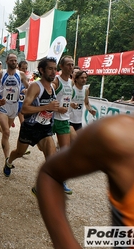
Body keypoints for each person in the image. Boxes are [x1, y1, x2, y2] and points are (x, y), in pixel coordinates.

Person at [36, 13, 134, 248]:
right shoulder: (125, 137)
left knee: (68, 146)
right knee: (59, 153)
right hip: (55, 121)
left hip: (74, 120)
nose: (77, 71)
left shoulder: (85, 89)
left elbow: (85, 102)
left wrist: (87, 109)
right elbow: (49, 174)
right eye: (71, 66)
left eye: (75, 67)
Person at [3, 57, 59, 178]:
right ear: (41, 70)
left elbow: (51, 107)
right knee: (19, 152)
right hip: (30, 127)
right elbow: (24, 109)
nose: (53, 72)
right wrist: (46, 107)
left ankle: (42, 186)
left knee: (51, 158)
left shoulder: (52, 88)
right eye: (50, 69)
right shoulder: (35, 86)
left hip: (45, 128)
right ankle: (9, 162)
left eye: (55, 69)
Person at [0, 53, 29, 165]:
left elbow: (29, 87)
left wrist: (27, 91)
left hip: (14, 105)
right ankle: (7, 160)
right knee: (7, 132)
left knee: (5, 129)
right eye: (11, 60)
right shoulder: (0, 73)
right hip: (3, 105)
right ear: (7, 61)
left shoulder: (21, 74)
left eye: (15, 60)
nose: (14, 62)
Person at [51, 55, 74, 194]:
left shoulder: (71, 82)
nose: (71, 67)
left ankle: (61, 181)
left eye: (72, 64)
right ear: (61, 66)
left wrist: (70, 104)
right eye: (68, 65)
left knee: (65, 152)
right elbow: (49, 94)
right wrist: (57, 108)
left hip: (64, 120)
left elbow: (65, 98)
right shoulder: (56, 81)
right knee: (49, 151)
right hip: (51, 118)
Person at [69, 70, 96, 140]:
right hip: (68, 120)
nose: (84, 80)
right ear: (76, 79)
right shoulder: (72, 89)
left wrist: (90, 109)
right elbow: (64, 101)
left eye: (85, 78)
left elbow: (86, 103)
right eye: (82, 78)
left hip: (78, 121)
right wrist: (71, 104)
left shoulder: (86, 90)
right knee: (74, 141)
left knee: (78, 142)